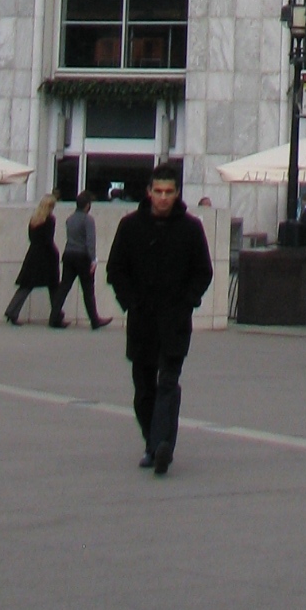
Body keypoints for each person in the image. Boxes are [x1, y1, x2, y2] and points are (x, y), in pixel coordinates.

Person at [107, 162, 214, 475]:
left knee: (168, 382)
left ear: (177, 193)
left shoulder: (191, 228)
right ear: (149, 192)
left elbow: (203, 271)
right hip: (142, 320)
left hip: (174, 320)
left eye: (169, 192)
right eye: (158, 191)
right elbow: (116, 269)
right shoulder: (130, 226)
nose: (163, 197)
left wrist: (188, 301)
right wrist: (130, 302)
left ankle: (162, 444)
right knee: (144, 389)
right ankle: (152, 441)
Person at [4, 192, 64, 327]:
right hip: (46, 257)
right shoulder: (50, 220)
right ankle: (56, 316)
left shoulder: (34, 220)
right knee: (53, 286)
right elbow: (48, 240)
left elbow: (31, 238)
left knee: (26, 285)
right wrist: (55, 254)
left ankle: (12, 311)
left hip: (33, 255)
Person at [58, 190, 109, 326]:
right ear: (87, 205)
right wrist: (93, 259)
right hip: (82, 256)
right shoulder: (88, 220)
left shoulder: (70, 219)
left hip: (69, 254)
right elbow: (90, 241)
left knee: (64, 287)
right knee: (88, 290)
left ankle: (54, 316)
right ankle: (94, 320)